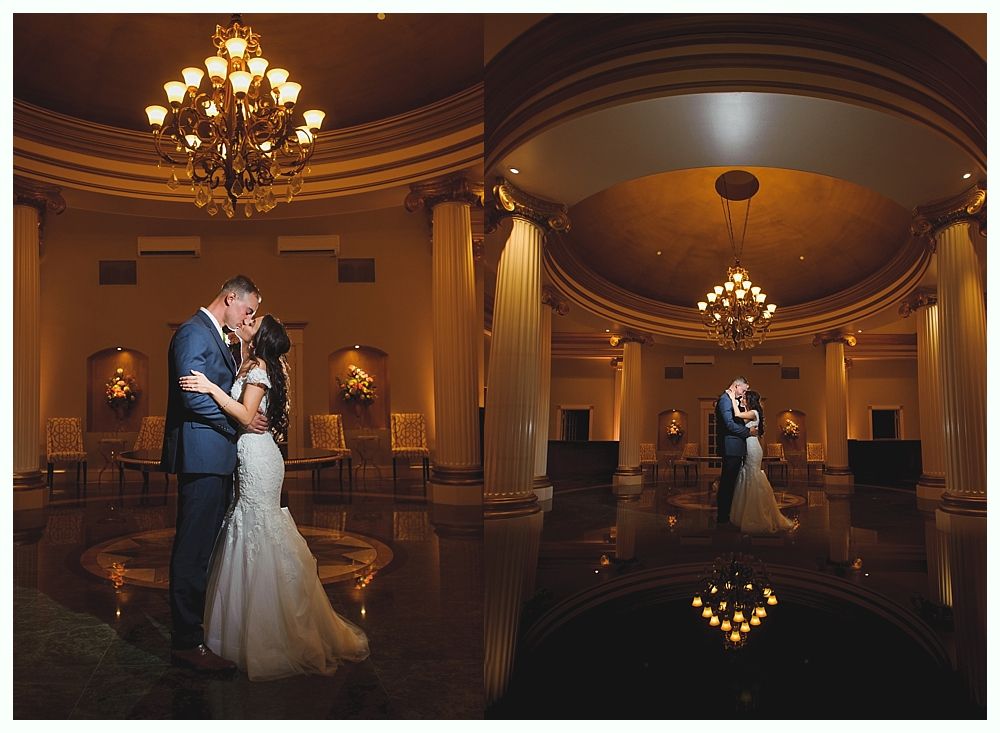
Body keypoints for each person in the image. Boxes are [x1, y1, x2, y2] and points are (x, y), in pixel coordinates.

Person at [179, 314, 370, 681]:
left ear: (260, 336)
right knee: (249, 528)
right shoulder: (248, 361)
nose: (247, 321)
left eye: (254, 322)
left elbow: (245, 413)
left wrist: (210, 388)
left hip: (257, 457)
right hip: (251, 453)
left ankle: (270, 634)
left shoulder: (259, 368)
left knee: (258, 529)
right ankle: (246, 626)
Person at [163, 274, 265, 672]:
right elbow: (192, 398)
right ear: (230, 297)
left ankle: (196, 631)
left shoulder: (217, 336)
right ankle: (186, 642)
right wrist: (238, 422)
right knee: (193, 549)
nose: (248, 318)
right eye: (247, 310)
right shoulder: (193, 332)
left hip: (214, 455)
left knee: (204, 548)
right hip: (201, 454)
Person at [730, 390, 795, 534]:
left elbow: (737, 415)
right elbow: (739, 424)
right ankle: (745, 513)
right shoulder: (749, 413)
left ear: (750, 400)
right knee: (747, 475)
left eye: (744, 398)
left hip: (752, 448)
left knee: (753, 475)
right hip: (748, 447)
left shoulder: (753, 413)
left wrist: (733, 400)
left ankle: (757, 515)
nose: (742, 399)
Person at [714, 376, 757, 527]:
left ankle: (727, 514)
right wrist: (748, 432)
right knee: (727, 483)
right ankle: (723, 516)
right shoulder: (725, 400)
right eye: (743, 390)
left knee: (731, 482)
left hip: (735, 447)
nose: (744, 393)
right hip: (731, 447)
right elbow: (729, 424)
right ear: (737, 386)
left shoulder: (730, 399)